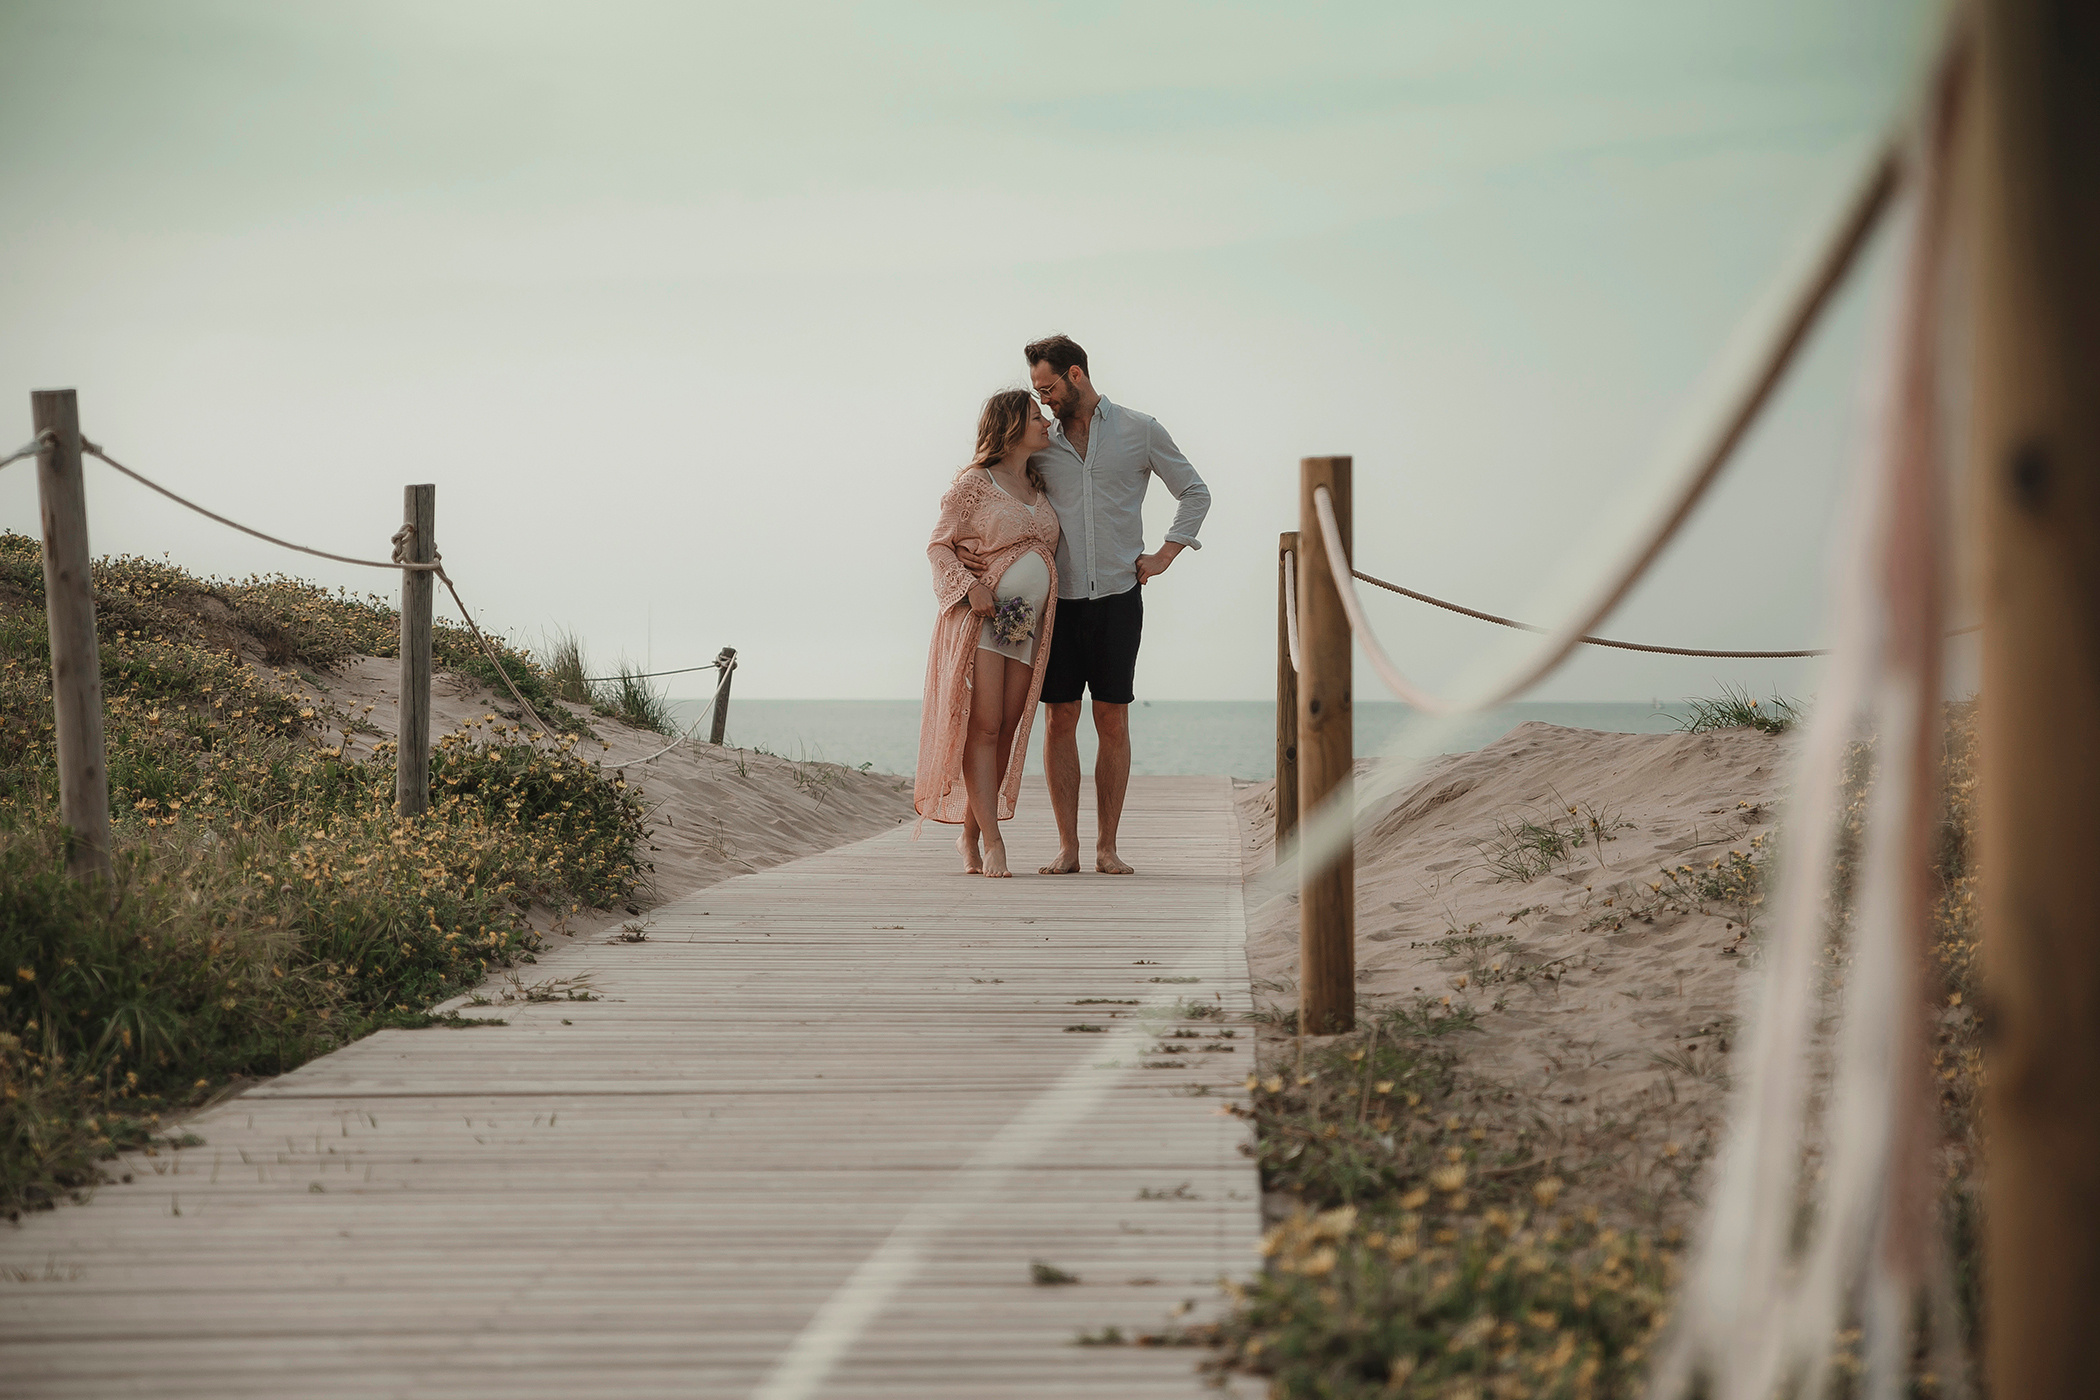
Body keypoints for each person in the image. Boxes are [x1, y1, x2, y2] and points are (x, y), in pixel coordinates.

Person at [958, 334, 1210, 875]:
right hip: (1053, 606)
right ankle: (1069, 848)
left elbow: (1195, 491)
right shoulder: (1039, 447)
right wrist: (975, 562)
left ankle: (1107, 848)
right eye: (1035, 392)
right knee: (1059, 719)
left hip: (1119, 596)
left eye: (1047, 388)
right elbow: (995, 496)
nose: (1043, 401)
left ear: (1076, 375)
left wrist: (1167, 553)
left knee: (1113, 718)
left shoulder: (1140, 430)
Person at [914, 389, 1062, 878]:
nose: (1045, 422)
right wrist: (968, 584)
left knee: (1007, 728)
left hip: (1023, 617)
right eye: (1035, 416)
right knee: (985, 725)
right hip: (985, 610)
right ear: (1010, 425)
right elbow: (938, 546)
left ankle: (969, 835)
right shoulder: (974, 483)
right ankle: (994, 841)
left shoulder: (1040, 484)